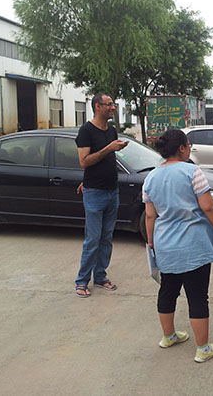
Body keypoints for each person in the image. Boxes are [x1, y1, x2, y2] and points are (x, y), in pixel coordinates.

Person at [142, 129, 213, 363]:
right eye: (188, 145)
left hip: (165, 244)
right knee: (197, 295)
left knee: (167, 290)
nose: (190, 148)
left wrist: (151, 242)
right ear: (181, 148)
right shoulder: (193, 172)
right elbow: (208, 206)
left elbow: (150, 215)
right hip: (194, 245)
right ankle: (203, 349)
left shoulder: (151, 177)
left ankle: (169, 336)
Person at [74, 93, 128, 298]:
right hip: (95, 193)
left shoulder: (111, 130)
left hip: (112, 191)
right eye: (109, 104)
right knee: (93, 239)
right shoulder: (86, 130)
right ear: (97, 106)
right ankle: (81, 281)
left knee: (106, 238)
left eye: (113, 104)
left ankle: (100, 276)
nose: (113, 108)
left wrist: (113, 149)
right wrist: (109, 148)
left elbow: (103, 161)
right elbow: (84, 161)